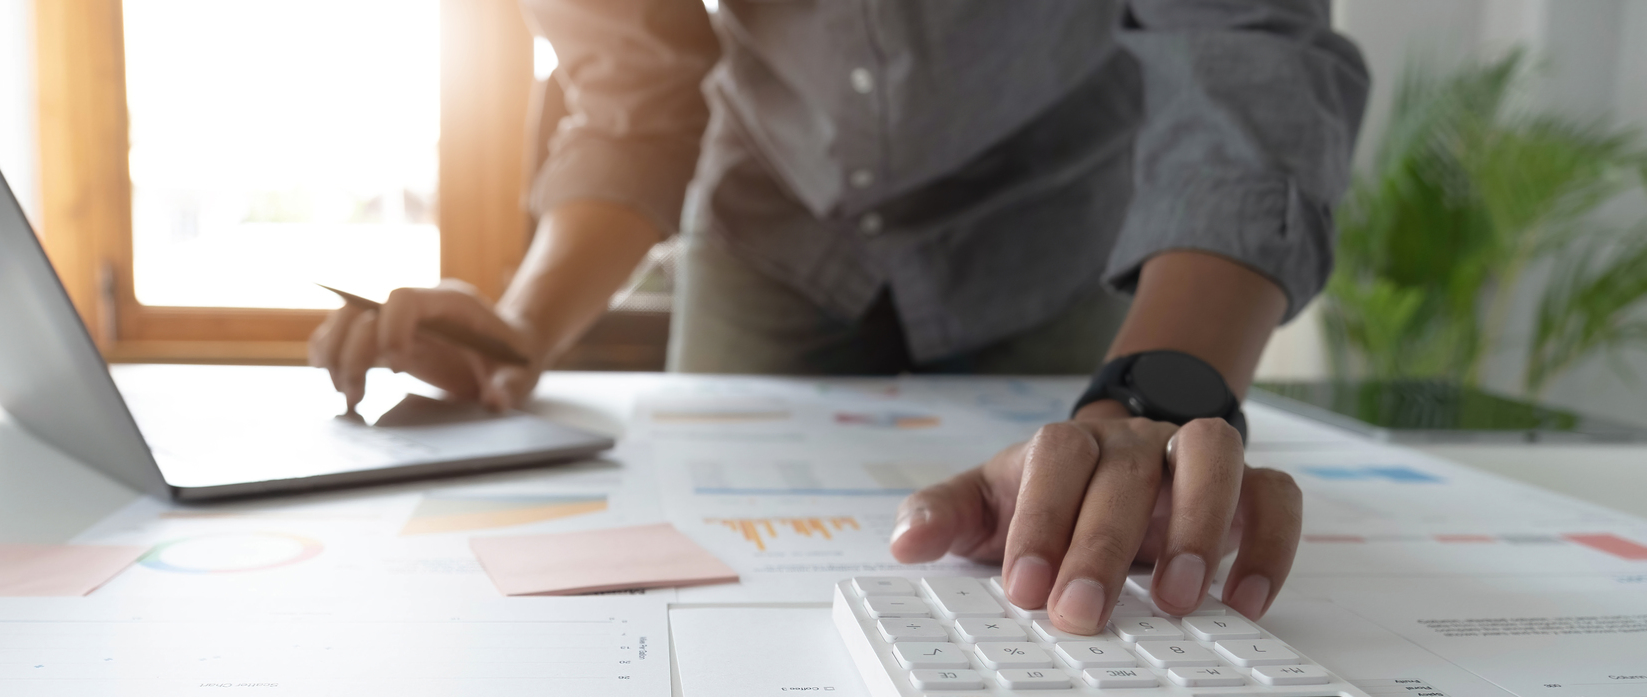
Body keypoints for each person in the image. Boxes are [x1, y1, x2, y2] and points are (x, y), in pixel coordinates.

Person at [308, 1, 1368, 636]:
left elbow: (1240, 37)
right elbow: (634, 92)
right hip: (772, 226)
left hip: (1056, 224)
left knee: (1096, 541)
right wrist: (517, 330)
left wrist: (1156, 389)